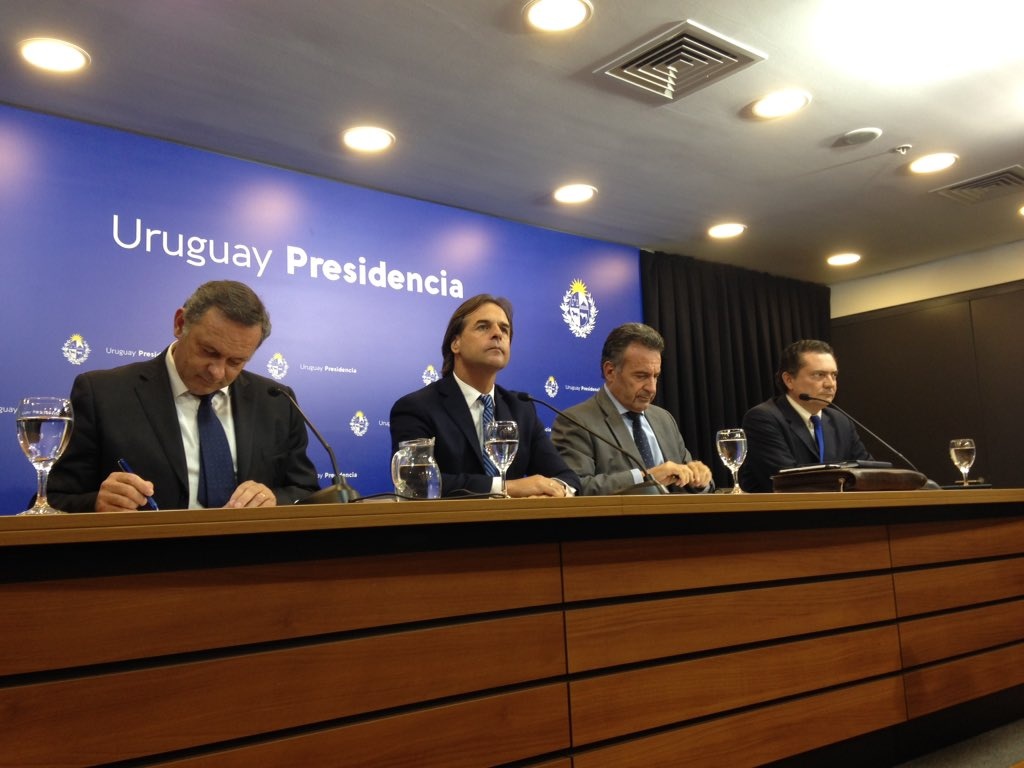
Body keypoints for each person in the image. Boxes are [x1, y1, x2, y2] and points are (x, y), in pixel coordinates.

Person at [48, 280, 321, 512]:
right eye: (209, 352)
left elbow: (305, 491)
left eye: (236, 362)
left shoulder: (276, 401)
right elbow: (53, 500)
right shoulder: (102, 393)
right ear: (180, 324)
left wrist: (274, 500)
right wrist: (97, 502)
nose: (217, 372)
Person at [389, 294, 580, 498]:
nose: (497, 334)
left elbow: (566, 477)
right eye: (483, 327)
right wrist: (506, 487)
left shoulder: (521, 409)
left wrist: (551, 494)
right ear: (456, 343)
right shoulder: (416, 408)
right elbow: (416, 483)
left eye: (504, 329)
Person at [551, 323, 713, 495]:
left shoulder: (664, 419)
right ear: (610, 371)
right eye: (641, 376)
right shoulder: (576, 422)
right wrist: (646, 477)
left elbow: (688, 481)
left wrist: (700, 480)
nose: (651, 388)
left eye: (655, 376)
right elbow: (575, 488)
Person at [739, 338, 871, 492]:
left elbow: (869, 473)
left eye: (834, 375)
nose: (830, 384)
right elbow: (787, 483)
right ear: (789, 380)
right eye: (819, 375)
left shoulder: (840, 421)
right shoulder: (763, 418)